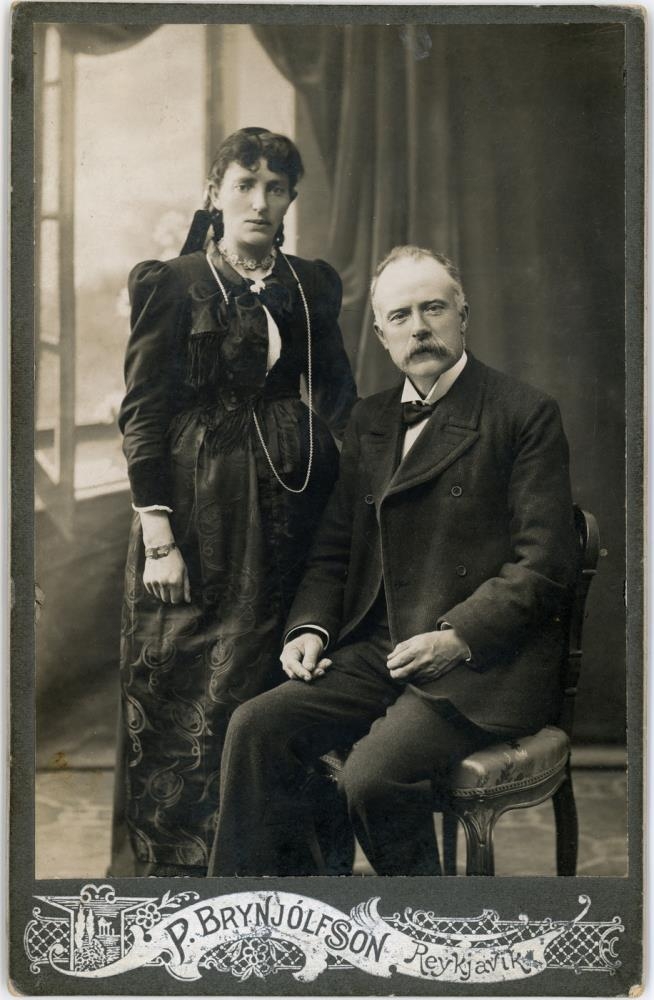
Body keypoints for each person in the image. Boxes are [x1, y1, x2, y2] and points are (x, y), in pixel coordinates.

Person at [207, 245, 578, 877]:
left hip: (479, 663)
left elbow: (543, 563)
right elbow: (334, 550)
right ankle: (256, 909)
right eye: (401, 316)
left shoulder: (524, 413)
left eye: (434, 308)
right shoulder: (371, 418)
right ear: (382, 336)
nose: (420, 328)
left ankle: (426, 923)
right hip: (382, 651)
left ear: (464, 316)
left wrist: (457, 636)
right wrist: (308, 629)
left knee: (371, 778)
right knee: (256, 726)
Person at [110, 127, 357, 877]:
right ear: (216, 193)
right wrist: (159, 537)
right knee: (191, 684)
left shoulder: (310, 285)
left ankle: (285, 870)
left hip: (293, 508)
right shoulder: (175, 282)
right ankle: (189, 873)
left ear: (290, 199)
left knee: (281, 680)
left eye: (275, 188)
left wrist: (332, 465)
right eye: (244, 185)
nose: (259, 201)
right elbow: (143, 411)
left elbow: (339, 392)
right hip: (197, 518)